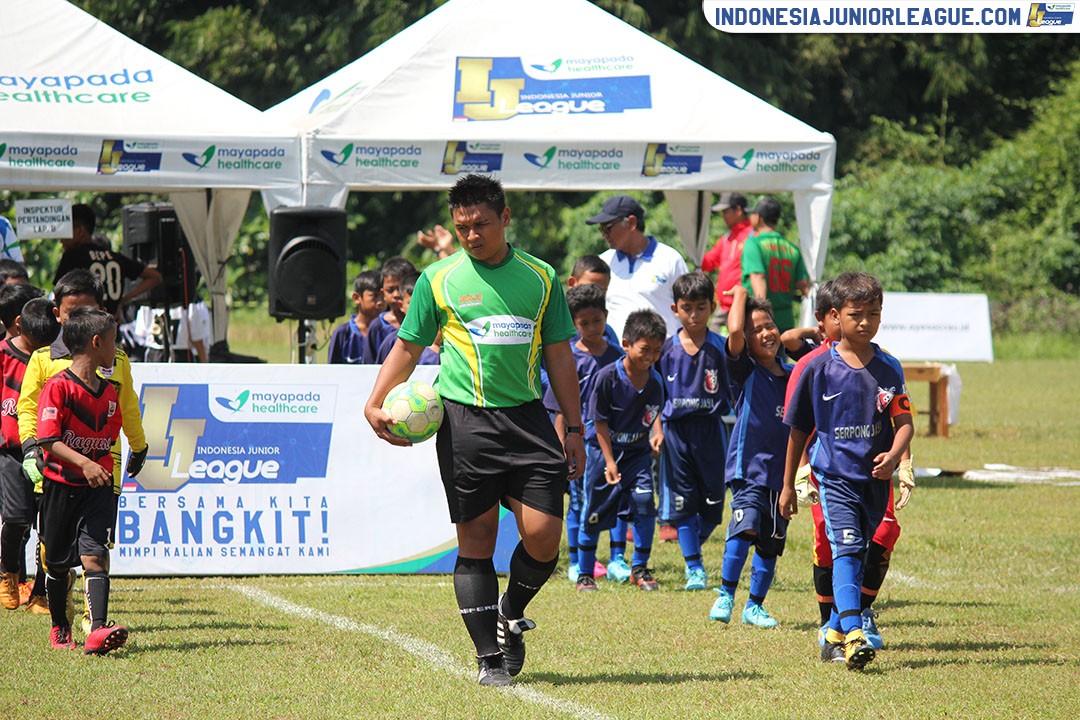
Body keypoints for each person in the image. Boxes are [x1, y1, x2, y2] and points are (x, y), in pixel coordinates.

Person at [364, 174, 584, 687]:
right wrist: (374, 402)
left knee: (544, 536)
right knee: (478, 538)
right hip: (465, 423)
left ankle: (511, 610)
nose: (471, 235)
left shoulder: (542, 277)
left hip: (528, 418)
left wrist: (573, 426)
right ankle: (489, 658)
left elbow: (559, 357)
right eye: (462, 227)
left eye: (481, 224)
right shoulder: (437, 279)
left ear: (505, 218)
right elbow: (408, 346)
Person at [780, 271, 914, 671]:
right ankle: (854, 633)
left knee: (864, 551)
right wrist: (788, 485)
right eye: (857, 314)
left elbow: (904, 422)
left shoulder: (889, 367)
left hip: (875, 482)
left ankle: (834, 633)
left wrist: (895, 455)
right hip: (834, 479)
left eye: (874, 313)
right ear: (835, 316)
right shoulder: (816, 367)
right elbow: (797, 432)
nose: (866, 322)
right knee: (848, 548)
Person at [18, 270, 149, 630]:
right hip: (57, 466)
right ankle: (59, 605)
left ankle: (97, 620)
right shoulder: (45, 359)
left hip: (104, 465)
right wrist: (30, 447)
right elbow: (28, 408)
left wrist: (138, 445)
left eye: (85, 310)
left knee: (97, 546)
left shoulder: (115, 358)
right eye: (71, 311)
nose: (76, 318)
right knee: (54, 550)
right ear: (57, 312)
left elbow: (127, 406)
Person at [36, 306, 128, 653]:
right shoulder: (58, 388)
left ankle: (98, 630)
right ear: (95, 342)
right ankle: (60, 625)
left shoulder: (108, 393)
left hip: (97, 488)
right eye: (113, 342)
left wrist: (99, 467)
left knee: (95, 555)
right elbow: (48, 439)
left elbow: (109, 436)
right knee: (57, 562)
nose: (116, 350)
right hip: (61, 486)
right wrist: (84, 463)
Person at [709, 286, 792, 628]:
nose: (765, 333)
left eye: (768, 325)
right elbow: (732, 331)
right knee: (745, 530)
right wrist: (741, 294)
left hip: (781, 475)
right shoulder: (744, 371)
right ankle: (726, 595)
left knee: (771, 542)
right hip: (749, 468)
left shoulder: (791, 375)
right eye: (755, 330)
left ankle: (754, 606)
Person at [574, 309, 666, 593]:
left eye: (656, 351)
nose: (650, 357)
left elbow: (654, 412)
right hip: (604, 452)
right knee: (593, 511)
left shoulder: (655, 382)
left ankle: (639, 567)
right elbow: (599, 423)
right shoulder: (606, 378)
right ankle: (585, 573)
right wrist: (610, 462)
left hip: (637, 453)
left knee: (643, 503)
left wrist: (657, 431)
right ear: (626, 344)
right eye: (644, 349)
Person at [542, 284, 623, 584]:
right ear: (573, 325)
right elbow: (559, 409)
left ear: (606, 316)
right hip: (581, 444)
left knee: (617, 499)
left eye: (597, 321)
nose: (592, 328)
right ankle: (577, 561)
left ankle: (618, 559)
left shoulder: (618, 356)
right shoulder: (568, 358)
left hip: (615, 443)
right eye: (584, 323)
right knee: (578, 502)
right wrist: (561, 444)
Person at [657, 272, 731, 592]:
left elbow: (735, 389)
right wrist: (656, 429)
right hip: (676, 433)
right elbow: (655, 394)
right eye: (687, 308)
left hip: (711, 431)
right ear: (675, 309)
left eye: (701, 308)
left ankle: (693, 546)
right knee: (683, 503)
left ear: (712, 307)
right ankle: (694, 568)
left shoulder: (722, 348)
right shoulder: (665, 350)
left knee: (714, 506)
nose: (694, 315)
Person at [0, 286, 57, 611]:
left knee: (48, 526)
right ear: (20, 325)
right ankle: (8, 574)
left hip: (50, 450)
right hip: (10, 451)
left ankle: (41, 591)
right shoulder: (3, 356)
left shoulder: (54, 357)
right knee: (17, 518)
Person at [587, 195, 687, 338]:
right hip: (617, 356)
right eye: (601, 229)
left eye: (607, 228)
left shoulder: (670, 259)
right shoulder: (602, 263)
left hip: (664, 355)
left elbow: (688, 309)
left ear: (631, 223)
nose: (604, 234)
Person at [52, 204, 163, 318]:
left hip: (85, 327)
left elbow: (58, 294)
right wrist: (124, 300)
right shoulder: (115, 257)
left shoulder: (72, 257)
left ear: (80, 230)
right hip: (111, 329)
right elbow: (155, 276)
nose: (61, 240)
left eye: (65, 232)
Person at [740, 196, 810, 333]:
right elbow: (804, 286)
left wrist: (762, 315)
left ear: (758, 217)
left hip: (761, 322)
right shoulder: (792, 248)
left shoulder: (753, 244)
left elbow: (758, 278)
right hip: (786, 319)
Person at [700, 192, 754, 332]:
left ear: (739, 210)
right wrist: (694, 250)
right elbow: (708, 262)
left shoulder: (752, 236)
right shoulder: (727, 238)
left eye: (726, 211)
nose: (723, 216)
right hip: (724, 306)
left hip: (743, 305)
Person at [374, 275, 440, 365]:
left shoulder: (446, 337)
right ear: (401, 305)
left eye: (424, 302)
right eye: (412, 303)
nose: (419, 308)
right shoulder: (392, 341)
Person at [364, 257, 418, 363]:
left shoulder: (423, 324)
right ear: (383, 292)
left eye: (400, 288)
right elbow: (368, 365)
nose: (396, 294)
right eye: (390, 290)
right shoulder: (377, 327)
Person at [328, 270, 384, 364]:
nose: (380, 302)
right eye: (374, 296)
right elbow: (332, 371)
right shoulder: (343, 333)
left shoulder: (388, 331)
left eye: (383, 296)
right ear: (356, 298)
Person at [133, 300, 212, 362]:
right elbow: (197, 339)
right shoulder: (192, 304)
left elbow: (141, 332)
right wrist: (204, 361)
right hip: (179, 354)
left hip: (157, 354)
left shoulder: (147, 303)